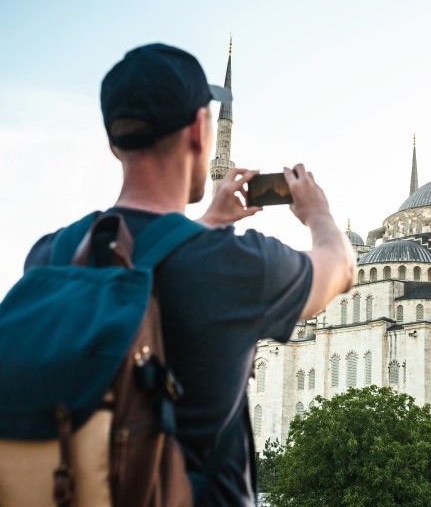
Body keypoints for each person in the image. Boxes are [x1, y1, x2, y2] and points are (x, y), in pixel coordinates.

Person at [23, 43, 355, 505]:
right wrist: (319, 214)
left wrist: (204, 225)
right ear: (200, 131)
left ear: (114, 142)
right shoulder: (239, 265)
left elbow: (142, 261)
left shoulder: (51, 254)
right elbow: (340, 267)